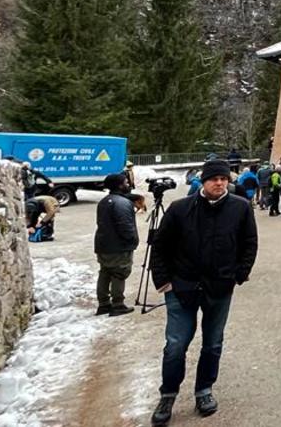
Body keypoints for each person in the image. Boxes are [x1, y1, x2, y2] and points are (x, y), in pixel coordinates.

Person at [148, 159, 258, 426]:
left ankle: (204, 390)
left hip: (219, 287)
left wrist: (239, 274)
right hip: (182, 286)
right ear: (203, 181)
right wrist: (163, 281)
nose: (219, 183)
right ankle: (168, 394)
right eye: (213, 179)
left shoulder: (240, 207)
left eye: (223, 179)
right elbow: (160, 246)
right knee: (175, 345)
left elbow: (249, 243)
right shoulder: (179, 208)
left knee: (213, 343)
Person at [94, 173, 139, 317]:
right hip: (118, 246)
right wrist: (133, 240)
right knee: (119, 273)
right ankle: (118, 304)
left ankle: (103, 304)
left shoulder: (104, 201)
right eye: (126, 182)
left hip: (103, 244)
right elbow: (125, 226)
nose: (128, 184)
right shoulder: (122, 203)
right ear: (120, 185)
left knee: (105, 272)